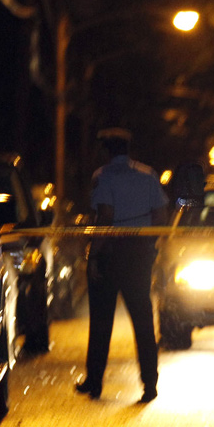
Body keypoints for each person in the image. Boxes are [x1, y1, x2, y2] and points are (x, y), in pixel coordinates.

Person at [75, 128, 168, 404]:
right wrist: (149, 245)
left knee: (101, 322)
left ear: (106, 150)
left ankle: (94, 382)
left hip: (110, 253)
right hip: (138, 254)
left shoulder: (103, 176)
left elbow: (105, 216)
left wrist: (93, 255)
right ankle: (149, 384)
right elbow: (160, 215)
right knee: (143, 321)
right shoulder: (148, 175)